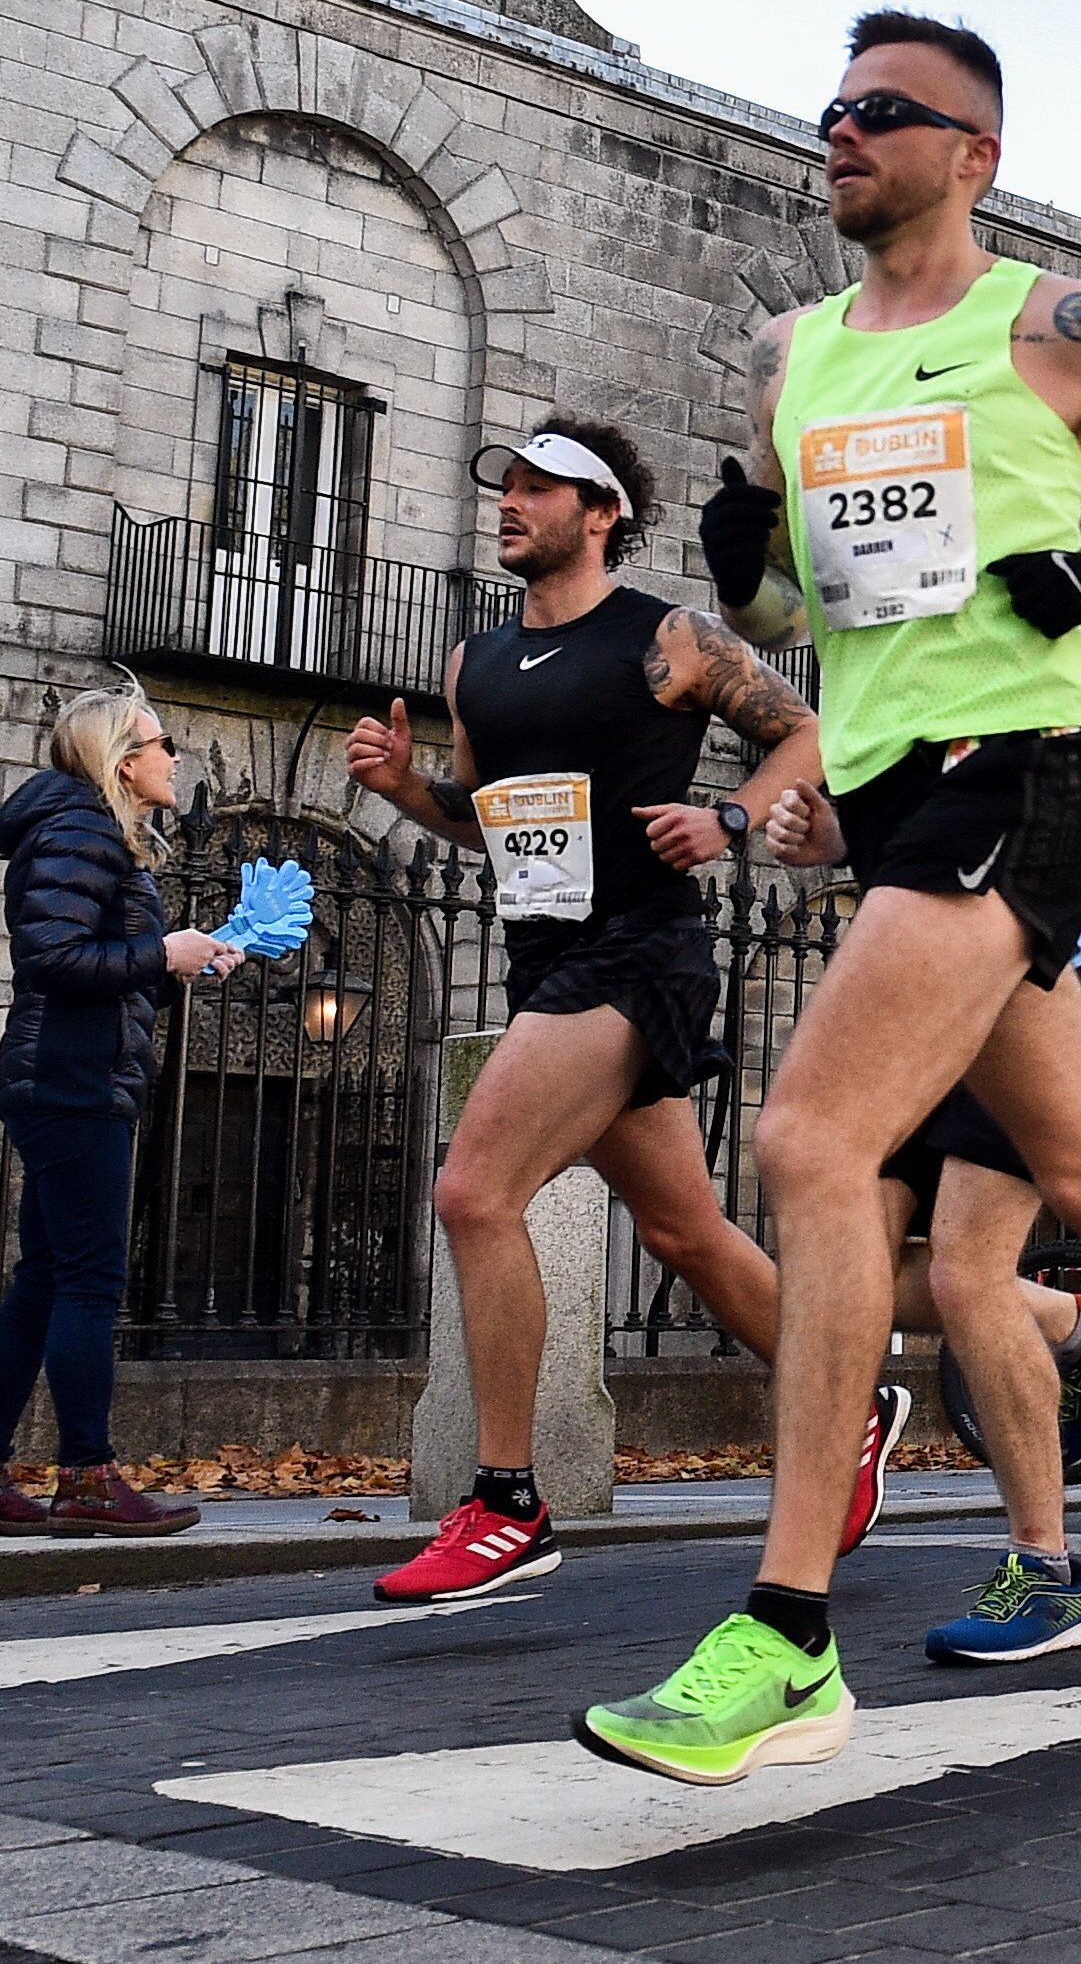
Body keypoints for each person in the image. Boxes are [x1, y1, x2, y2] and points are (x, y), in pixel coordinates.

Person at [599, 8, 1081, 1784]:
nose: (842, 132)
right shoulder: (789, 356)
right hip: (892, 799)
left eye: (885, 111)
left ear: (973, 152)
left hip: (1020, 779)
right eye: (832, 109)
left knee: (809, 1142)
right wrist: (766, 626)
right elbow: (825, 612)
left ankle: (789, 1628)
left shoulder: (1060, 319)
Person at [346, 421, 854, 1605]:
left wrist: (728, 824)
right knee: (685, 1234)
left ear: (604, 510)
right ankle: (855, 1391)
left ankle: (509, 1500)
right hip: (546, 960)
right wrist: (403, 787)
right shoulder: (476, 663)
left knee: (474, 1192)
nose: (511, 503)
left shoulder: (667, 637)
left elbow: (810, 734)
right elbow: (483, 820)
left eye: (538, 487)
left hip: (639, 956)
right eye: (506, 487)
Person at [855, 618, 1081, 1659]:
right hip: (913, 960)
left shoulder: (1065, 602)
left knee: (963, 1269)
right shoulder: (882, 596)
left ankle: (1046, 1572)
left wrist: (989, 771)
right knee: (843, 1259)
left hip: (1046, 955)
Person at [0, 688, 234, 1539]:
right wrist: (159, 951)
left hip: (72, 1072)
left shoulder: (89, 832)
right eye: (160, 741)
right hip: (74, 1080)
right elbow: (53, 956)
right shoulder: (83, 828)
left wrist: (173, 966)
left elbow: (97, 965)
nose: (175, 756)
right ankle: (89, 1477)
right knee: (90, 1278)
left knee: (44, 1279)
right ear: (122, 760)